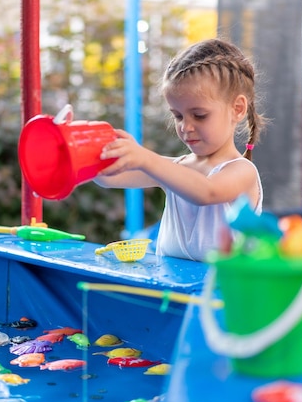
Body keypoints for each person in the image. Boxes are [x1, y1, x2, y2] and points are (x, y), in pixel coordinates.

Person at [94, 38, 266, 262]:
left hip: (223, 294)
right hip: (170, 290)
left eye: (199, 115)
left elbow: (206, 192)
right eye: (178, 115)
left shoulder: (243, 171)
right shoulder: (174, 169)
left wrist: (145, 158)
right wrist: (80, 152)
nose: (186, 126)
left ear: (237, 109)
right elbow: (108, 177)